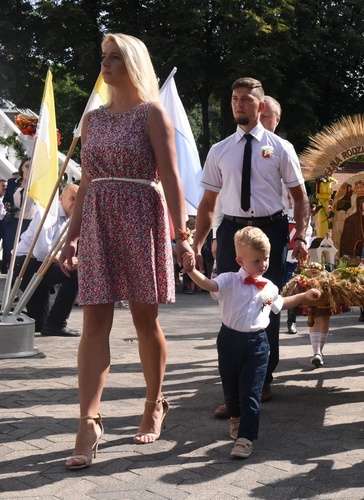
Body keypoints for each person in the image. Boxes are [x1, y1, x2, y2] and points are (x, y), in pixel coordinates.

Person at [60, 33, 193, 470]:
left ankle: (154, 402)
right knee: (93, 318)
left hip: (141, 216)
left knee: (144, 318)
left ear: (133, 63)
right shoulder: (92, 120)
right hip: (98, 218)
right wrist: (71, 235)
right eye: (103, 56)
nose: (107, 63)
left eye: (116, 57)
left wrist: (181, 235)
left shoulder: (152, 113)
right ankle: (89, 421)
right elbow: (86, 186)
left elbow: (171, 179)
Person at [192, 78, 310, 404]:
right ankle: (233, 388)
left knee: (266, 306)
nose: (238, 104)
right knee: (232, 308)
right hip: (232, 232)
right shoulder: (220, 151)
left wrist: (300, 235)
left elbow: (301, 198)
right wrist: (198, 244)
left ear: (260, 106)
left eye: (245, 99)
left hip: (270, 231)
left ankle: (261, 380)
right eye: (234, 99)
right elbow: (207, 204)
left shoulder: (280, 148)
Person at [186, 226, 320, 458]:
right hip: (229, 340)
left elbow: (280, 304)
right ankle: (235, 417)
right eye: (257, 260)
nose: (263, 264)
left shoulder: (269, 286)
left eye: (266, 258)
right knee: (231, 389)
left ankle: (246, 438)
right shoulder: (228, 280)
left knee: (251, 391)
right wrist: (190, 272)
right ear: (240, 259)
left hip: (258, 343)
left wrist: (304, 297)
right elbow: (209, 285)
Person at [14, 184, 80, 336]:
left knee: (39, 324)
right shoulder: (48, 215)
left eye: (79, 200)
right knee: (75, 271)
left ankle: (47, 324)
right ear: (61, 198)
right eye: (72, 198)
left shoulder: (71, 219)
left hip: (42, 266)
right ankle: (57, 324)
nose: (76, 203)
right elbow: (41, 252)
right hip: (27, 264)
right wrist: (68, 261)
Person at [4, 162, 38, 273]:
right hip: (14, 220)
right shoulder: (12, 182)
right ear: (21, 168)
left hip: (29, 222)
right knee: (9, 246)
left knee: (22, 249)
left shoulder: (38, 184)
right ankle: (7, 271)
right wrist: (8, 205)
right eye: (27, 166)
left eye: (33, 166)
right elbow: (7, 198)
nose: (29, 168)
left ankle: (20, 273)